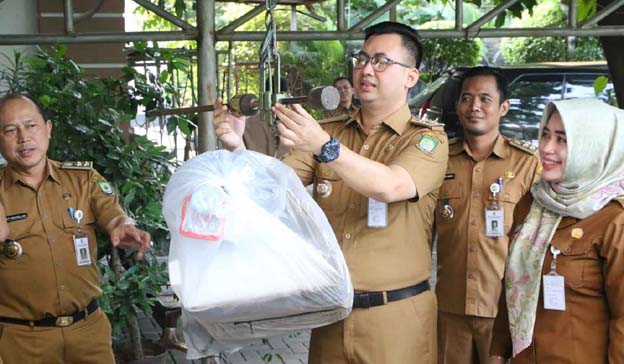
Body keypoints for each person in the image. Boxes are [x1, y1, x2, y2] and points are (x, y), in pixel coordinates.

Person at [214, 21, 448, 364]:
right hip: (332, 316)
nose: (366, 69)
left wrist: (326, 147)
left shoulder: (427, 139)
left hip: (397, 318)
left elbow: (391, 185)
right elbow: (270, 187)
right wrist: (237, 145)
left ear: (410, 77)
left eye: (381, 62)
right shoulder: (328, 132)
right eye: (362, 59)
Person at [0, 94, 151, 364]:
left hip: (88, 331)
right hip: (22, 339)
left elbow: (113, 214)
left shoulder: (82, 178)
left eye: (31, 125)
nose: (24, 137)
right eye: (11, 130)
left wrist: (124, 226)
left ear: (47, 129)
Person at [489, 98, 624, 363]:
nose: (547, 148)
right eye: (545, 135)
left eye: (562, 140)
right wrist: (498, 350)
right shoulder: (533, 203)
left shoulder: (614, 218)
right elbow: (514, 284)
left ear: (594, 148)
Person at [434, 67, 541, 364]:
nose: (474, 107)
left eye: (485, 98)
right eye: (466, 98)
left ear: (503, 107)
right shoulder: (439, 160)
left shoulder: (527, 164)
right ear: (457, 106)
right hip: (449, 307)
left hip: (502, 310)